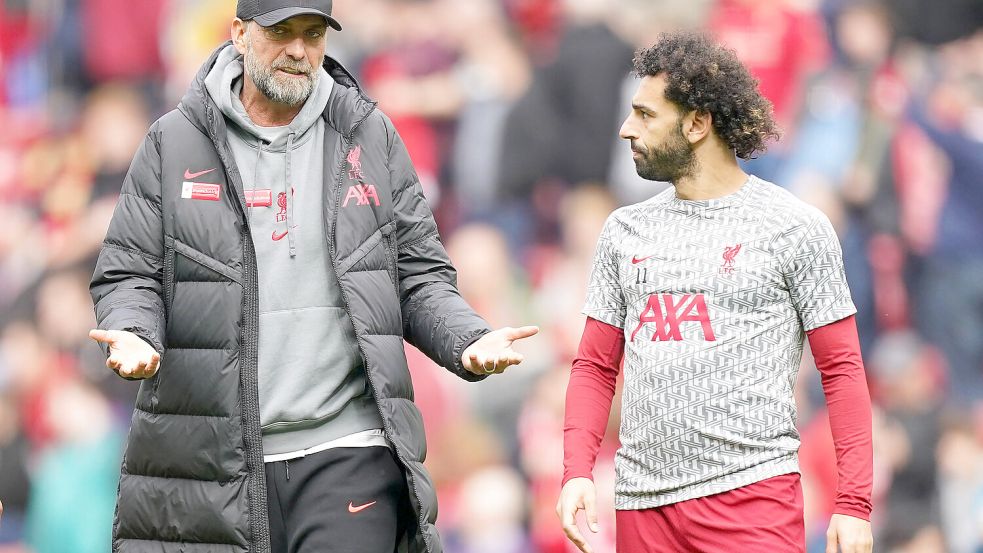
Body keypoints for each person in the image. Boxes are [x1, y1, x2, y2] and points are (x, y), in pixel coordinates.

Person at [87, 1, 537, 552]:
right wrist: (135, 329)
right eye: (281, 33)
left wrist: (466, 337)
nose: (299, 51)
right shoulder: (172, 142)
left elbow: (417, 274)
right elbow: (130, 270)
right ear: (239, 34)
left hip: (348, 451)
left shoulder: (369, 135)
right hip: (214, 461)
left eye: (312, 34)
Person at [555, 32, 873, 553]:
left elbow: (842, 369)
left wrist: (853, 503)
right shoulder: (622, 231)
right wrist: (576, 472)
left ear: (698, 123)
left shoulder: (794, 228)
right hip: (642, 507)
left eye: (645, 114)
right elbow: (593, 364)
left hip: (752, 501)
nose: (625, 128)